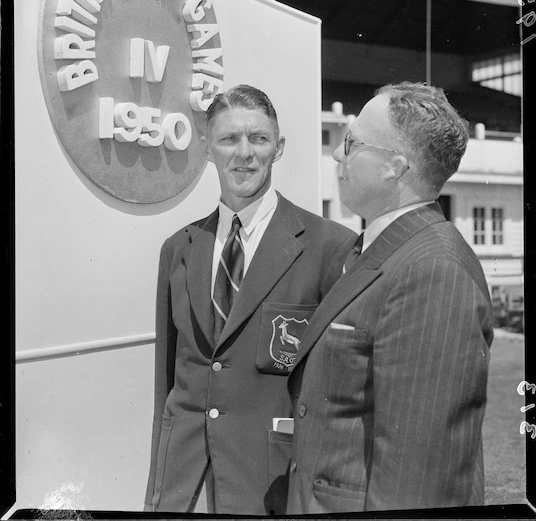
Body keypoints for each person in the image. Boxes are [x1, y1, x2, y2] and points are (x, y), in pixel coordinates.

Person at [144, 84, 357, 515]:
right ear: (206, 149)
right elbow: (167, 384)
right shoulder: (178, 249)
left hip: (271, 486)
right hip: (185, 484)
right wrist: (156, 492)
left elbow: (340, 395)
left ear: (278, 148)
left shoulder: (329, 247)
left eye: (258, 139)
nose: (244, 153)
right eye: (228, 139)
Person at [286, 81, 494, 514]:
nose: (338, 155)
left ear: (393, 168)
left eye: (351, 143)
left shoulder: (433, 272)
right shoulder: (377, 250)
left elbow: (420, 483)